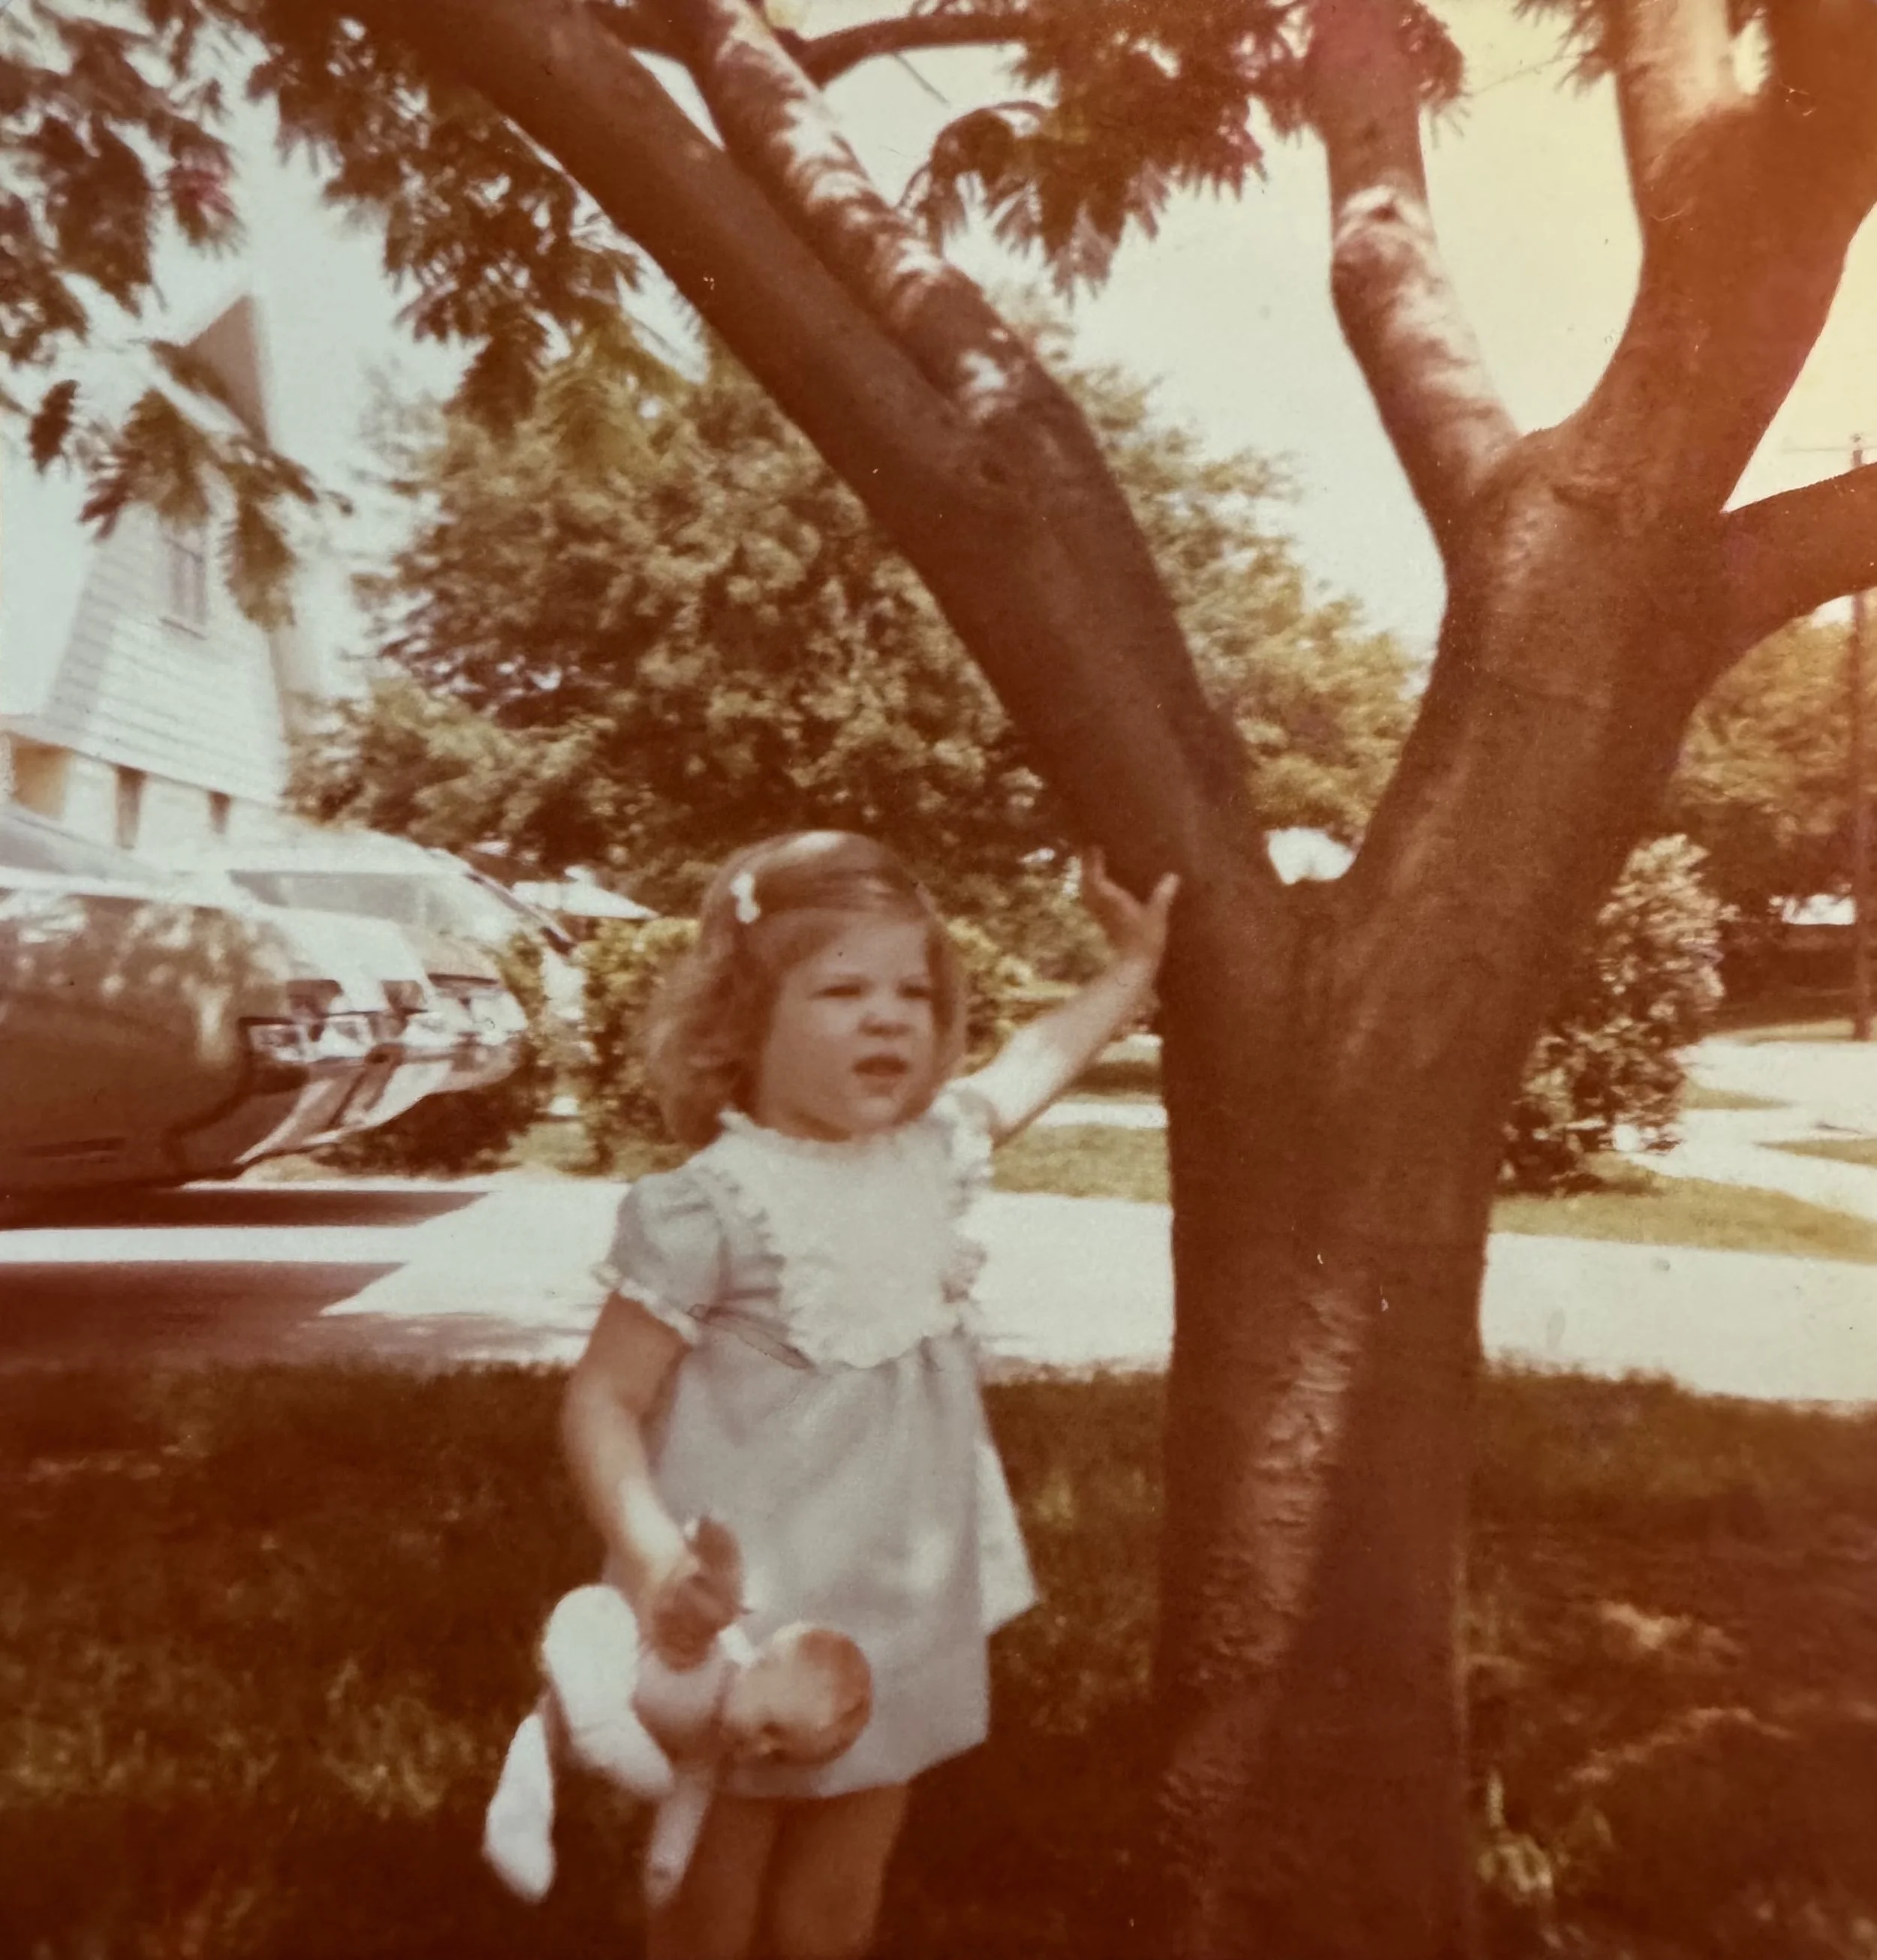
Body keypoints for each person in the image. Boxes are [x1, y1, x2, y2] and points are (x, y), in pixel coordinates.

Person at [562, 829, 1177, 1960]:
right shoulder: (713, 1205)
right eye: (843, 990)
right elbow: (602, 1399)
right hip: (754, 1613)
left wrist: (1132, 969)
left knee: (843, 1882)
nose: (890, 1016)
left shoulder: (930, 1152)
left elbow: (1032, 1062)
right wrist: (655, 1562)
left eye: (913, 991)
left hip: (904, 1594)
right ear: (743, 1021)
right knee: (713, 1875)